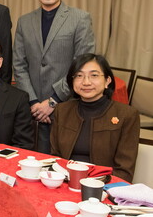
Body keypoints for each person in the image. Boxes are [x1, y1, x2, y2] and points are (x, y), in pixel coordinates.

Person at [13, 0, 95, 153]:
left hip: (67, 106)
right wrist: (34, 102)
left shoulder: (80, 18)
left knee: (61, 163)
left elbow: (82, 65)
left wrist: (52, 101)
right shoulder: (24, 21)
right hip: (32, 110)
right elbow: (19, 64)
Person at [51, 54, 140, 182]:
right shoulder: (62, 110)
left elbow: (124, 171)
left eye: (94, 75)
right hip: (63, 181)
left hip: (103, 186)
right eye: (79, 76)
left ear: (107, 81)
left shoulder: (127, 115)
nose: (86, 82)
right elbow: (55, 158)